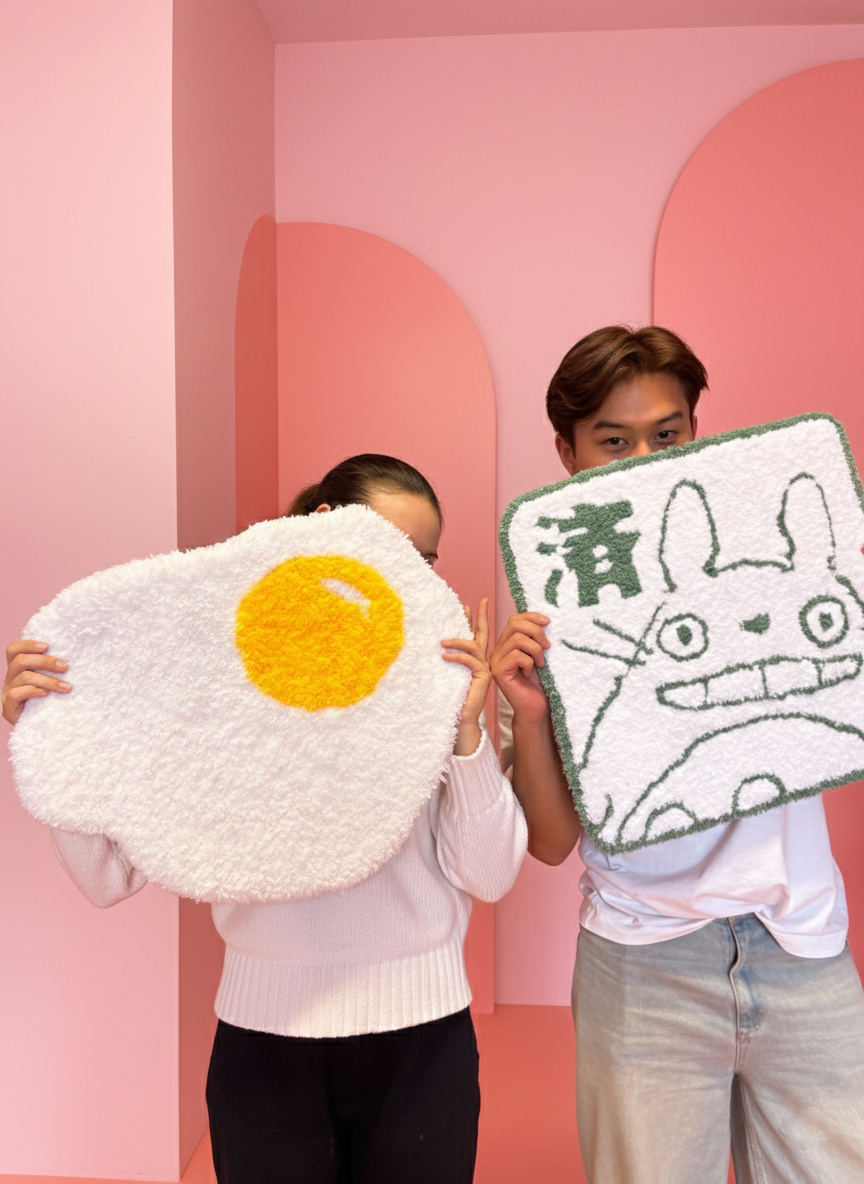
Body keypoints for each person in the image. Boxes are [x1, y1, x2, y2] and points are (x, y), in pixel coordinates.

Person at [3, 453, 528, 1184]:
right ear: (318, 532)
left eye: (424, 561)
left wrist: (467, 733)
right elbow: (104, 879)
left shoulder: (439, 681)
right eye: (389, 551)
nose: (410, 580)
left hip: (423, 1037)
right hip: (264, 1042)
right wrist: (54, 738)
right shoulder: (215, 675)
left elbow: (493, 873)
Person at [490, 326, 864, 1184]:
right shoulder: (556, 615)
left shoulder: (781, 545)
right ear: (568, 454)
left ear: (696, 429)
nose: (644, 459)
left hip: (800, 938)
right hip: (643, 959)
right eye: (613, 442)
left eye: (667, 434)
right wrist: (535, 715)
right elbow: (549, 841)